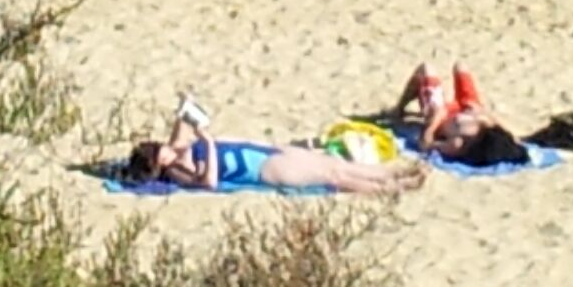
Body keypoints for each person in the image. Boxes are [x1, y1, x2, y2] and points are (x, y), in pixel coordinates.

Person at [127, 99, 427, 196]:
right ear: (158, 163)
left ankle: (394, 174)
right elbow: (209, 183)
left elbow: (182, 120)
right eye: (158, 151)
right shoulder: (179, 171)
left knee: (336, 163)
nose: (164, 147)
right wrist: (206, 141)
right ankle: (390, 187)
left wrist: (187, 110)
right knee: (333, 177)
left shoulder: (177, 148)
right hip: (262, 168)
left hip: (265, 151)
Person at [394, 62, 527, 166]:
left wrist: (432, 123)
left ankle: (399, 108)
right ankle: (399, 108)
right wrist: (479, 112)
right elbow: (498, 126)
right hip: (466, 105)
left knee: (426, 69)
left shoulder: (458, 144)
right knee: (460, 66)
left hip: (440, 115)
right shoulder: (484, 125)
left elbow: (425, 144)